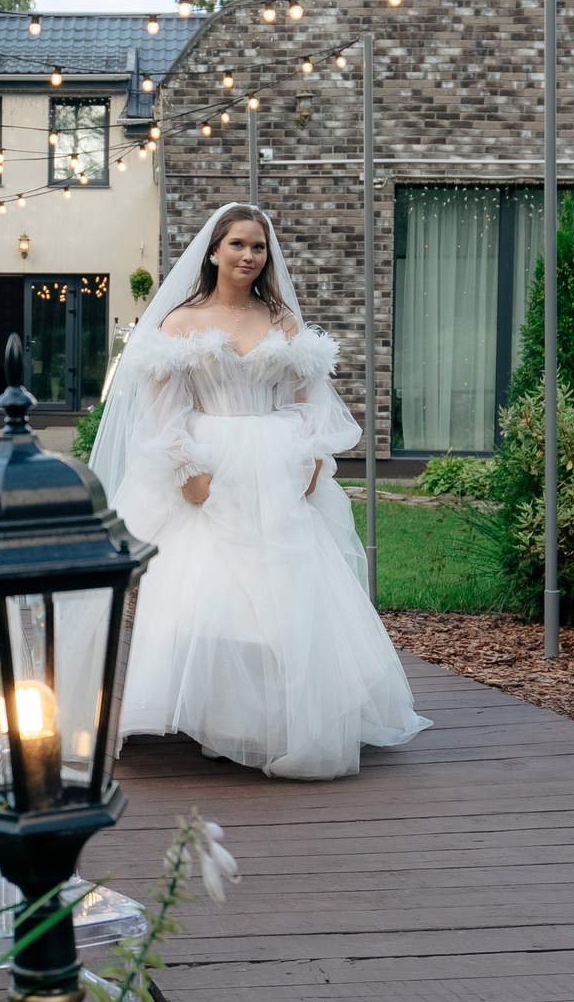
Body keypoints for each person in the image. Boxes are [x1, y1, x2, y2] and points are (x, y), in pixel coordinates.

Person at [91, 202, 429, 780]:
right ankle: (221, 719)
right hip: (210, 463)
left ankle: (278, 718)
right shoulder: (179, 322)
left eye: (259, 247)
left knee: (285, 596)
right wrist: (185, 468)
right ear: (214, 251)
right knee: (214, 595)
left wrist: (312, 459)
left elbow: (308, 401)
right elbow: (161, 410)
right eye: (238, 245)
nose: (249, 256)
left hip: (276, 465)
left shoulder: (283, 322)